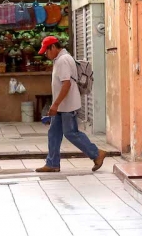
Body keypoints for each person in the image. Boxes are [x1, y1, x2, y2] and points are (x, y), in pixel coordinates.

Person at [35, 36, 106, 173]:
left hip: (67, 105)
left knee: (71, 133)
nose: (46, 55)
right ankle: (52, 163)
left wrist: (55, 104)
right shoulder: (61, 59)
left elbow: (66, 84)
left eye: (46, 51)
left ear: (53, 47)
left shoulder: (63, 60)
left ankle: (97, 153)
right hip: (62, 106)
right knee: (54, 134)